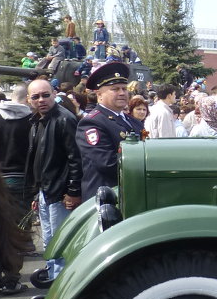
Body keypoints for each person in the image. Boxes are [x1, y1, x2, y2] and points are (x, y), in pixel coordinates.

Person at [24, 78, 82, 248]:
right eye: (35, 97)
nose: (41, 100)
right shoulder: (36, 121)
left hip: (60, 194)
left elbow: (76, 159)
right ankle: (52, 272)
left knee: (59, 243)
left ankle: (60, 274)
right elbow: (39, 161)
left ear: (54, 94)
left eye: (45, 95)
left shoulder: (65, 119)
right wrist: (37, 192)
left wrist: (73, 191)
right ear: (29, 99)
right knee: (49, 242)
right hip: (45, 192)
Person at [78, 62, 135, 200]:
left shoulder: (133, 122)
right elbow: (107, 164)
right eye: (115, 89)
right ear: (99, 94)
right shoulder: (92, 123)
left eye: (124, 88)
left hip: (129, 193)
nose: (122, 93)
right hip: (106, 198)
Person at [0, 83, 36, 229]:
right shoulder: (33, 120)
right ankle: (24, 248)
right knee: (23, 223)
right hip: (24, 178)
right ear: (27, 98)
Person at [0, 139, 33, 293]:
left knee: (5, 230)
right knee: (10, 230)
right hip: (13, 181)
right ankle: (6, 275)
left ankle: (2, 273)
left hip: (1, 183)